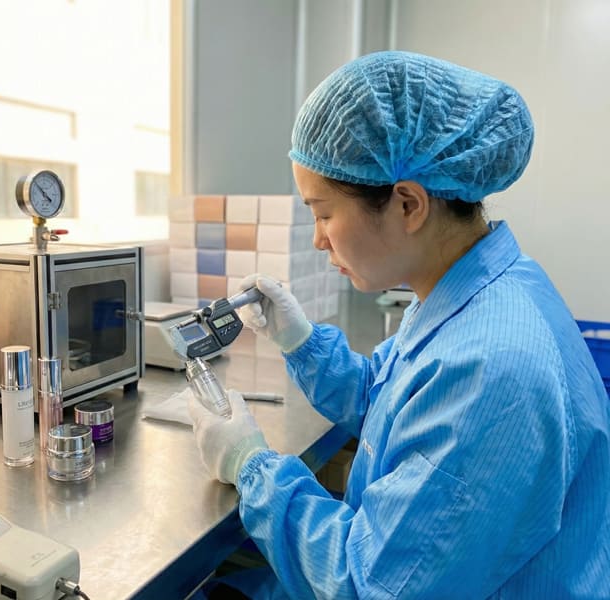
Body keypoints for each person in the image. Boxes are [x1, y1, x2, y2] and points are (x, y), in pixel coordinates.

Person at [188, 50, 610, 599]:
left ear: (408, 204)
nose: (318, 239)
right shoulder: (469, 291)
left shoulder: (492, 369)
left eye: (323, 214)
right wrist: (302, 342)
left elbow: (369, 584)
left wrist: (251, 465)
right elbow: (388, 401)